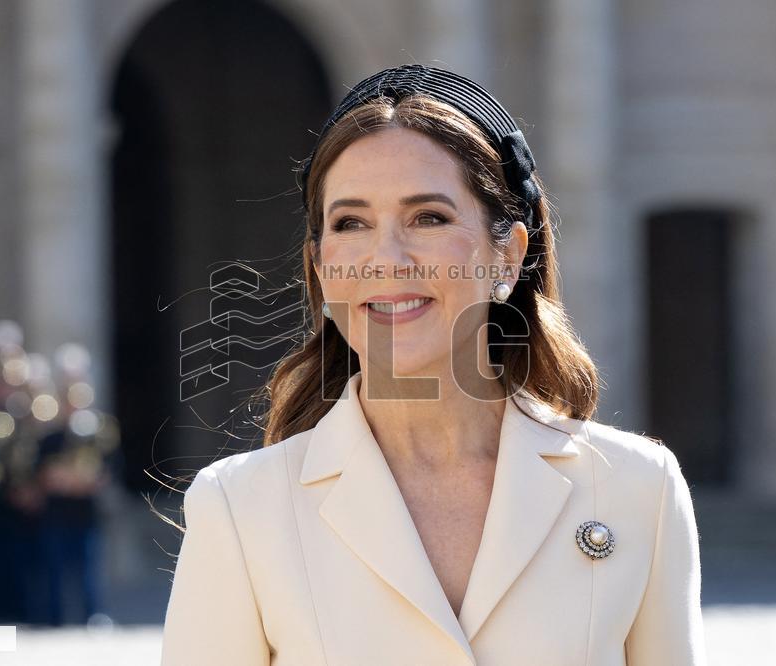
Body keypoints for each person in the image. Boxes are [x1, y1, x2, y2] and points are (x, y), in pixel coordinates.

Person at [160, 64, 707, 665]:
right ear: (320, 266)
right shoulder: (240, 507)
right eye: (351, 223)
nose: (385, 258)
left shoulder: (637, 489)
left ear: (509, 254)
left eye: (428, 217)